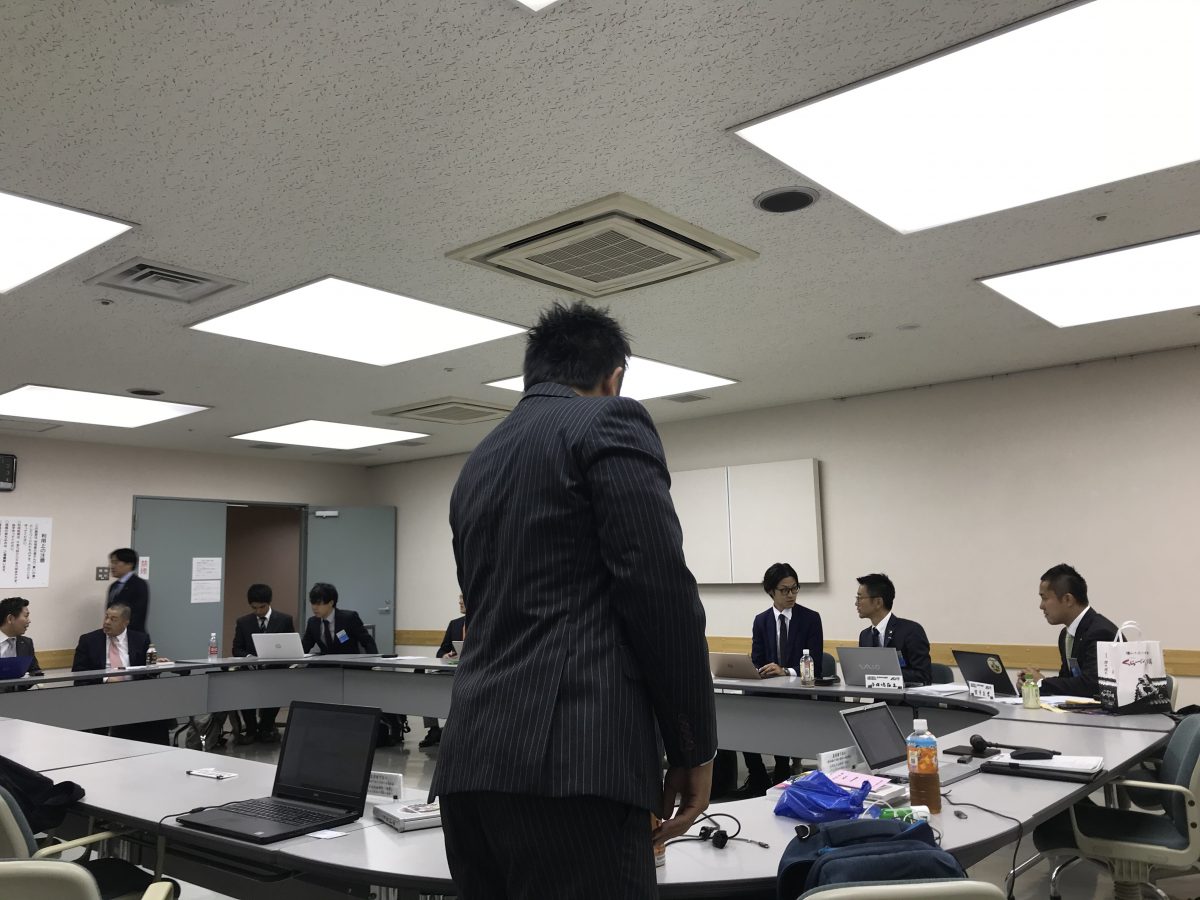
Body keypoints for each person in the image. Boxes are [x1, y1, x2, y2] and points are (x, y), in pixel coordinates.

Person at [432, 301, 716, 900]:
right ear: (614, 378)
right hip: (576, 763)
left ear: (532, 375)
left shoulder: (478, 461)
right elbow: (660, 593)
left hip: (469, 764)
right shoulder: (608, 420)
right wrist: (693, 748)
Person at [737, 562, 823, 797]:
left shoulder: (810, 618)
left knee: (782, 711)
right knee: (741, 714)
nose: (791, 595)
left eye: (794, 589)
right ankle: (757, 775)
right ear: (771, 591)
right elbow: (757, 659)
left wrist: (786, 671)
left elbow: (816, 663)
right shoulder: (761, 620)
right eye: (785, 590)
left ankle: (783, 771)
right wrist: (759, 670)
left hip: (796, 692)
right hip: (766, 690)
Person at [71, 603, 171, 744]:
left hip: (134, 693)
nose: (107, 622)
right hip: (101, 694)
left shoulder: (140, 639)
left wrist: (156, 665)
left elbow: (146, 671)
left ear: (125, 622)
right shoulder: (89, 640)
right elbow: (78, 673)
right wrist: (105, 680)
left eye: (113, 619)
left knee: (157, 715)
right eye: (106, 617)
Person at [1018, 563, 1117, 697]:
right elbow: (1068, 682)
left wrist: (1042, 683)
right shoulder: (1066, 635)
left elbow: (1092, 686)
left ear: (1068, 599)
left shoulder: (1100, 633)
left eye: (1045, 598)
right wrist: (1031, 684)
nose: (1041, 606)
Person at [231, 583, 295, 744]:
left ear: (269, 603)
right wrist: (249, 657)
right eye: (254, 608)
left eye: (262, 607)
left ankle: (266, 728)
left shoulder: (284, 620)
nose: (258, 611)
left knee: (276, 690)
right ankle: (251, 729)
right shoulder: (243, 622)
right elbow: (236, 649)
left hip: (275, 672)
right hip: (250, 671)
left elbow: (291, 646)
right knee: (244, 691)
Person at [854, 573, 932, 686]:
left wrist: (885, 672)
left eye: (860, 598)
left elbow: (924, 676)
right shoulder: (865, 635)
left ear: (878, 602)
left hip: (906, 696)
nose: (856, 603)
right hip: (876, 696)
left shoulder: (911, 631)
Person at [419, 593, 466, 749]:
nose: (460, 602)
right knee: (425, 684)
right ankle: (433, 729)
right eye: (459, 599)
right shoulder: (455, 624)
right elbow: (441, 651)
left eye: (463, 598)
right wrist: (446, 655)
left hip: (471, 674)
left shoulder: (483, 622)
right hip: (451, 671)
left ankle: (454, 730)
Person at [301, 582, 377, 654]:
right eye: (313, 603)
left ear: (331, 603)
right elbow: (304, 647)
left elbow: (368, 642)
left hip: (348, 661)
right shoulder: (312, 622)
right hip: (325, 662)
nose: (314, 607)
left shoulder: (349, 618)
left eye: (318, 604)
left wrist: (374, 661)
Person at [0, 596, 43, 690]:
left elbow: (35, 672)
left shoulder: (27, 643)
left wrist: (30, 682)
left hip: (19, 697)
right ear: (10, 618)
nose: (29, 621)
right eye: (26, 616)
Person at [106, 547, 149, 633]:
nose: (112, 566)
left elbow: (137, 615)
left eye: (116, 562)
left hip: (132, 634)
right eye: (112, 562)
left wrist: (120, 632)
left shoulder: (139, 584)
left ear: (129, 564)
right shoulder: (113, 586)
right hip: (113, 634)